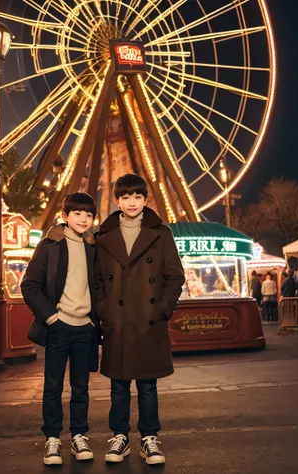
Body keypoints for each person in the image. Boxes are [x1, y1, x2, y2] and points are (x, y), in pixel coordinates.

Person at [95, 174, 185, 465]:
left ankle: (149, 438)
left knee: (147, 385)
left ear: (146, 200)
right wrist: (104, 309)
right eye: (125, 197)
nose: (131, 202)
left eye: (137, 197)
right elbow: (96, 280)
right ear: (117, 200)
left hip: (148, 320)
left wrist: (161, 310)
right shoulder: (102, 237)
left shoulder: (162, 234)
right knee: (118, 386)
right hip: (117, 321)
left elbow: (174, 276)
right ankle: (119, 436)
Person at [21, 192, 100, 466]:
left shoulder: (94, 247)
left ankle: (79, 436)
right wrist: (52, 318)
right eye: (77, 213)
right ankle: (52, 438)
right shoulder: (49, 246)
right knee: (53, 386)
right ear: (65, 216)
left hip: (86, 328)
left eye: (89, 215)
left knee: (81, 387)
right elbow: (29, 285)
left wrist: (94, 319)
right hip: (59, 327)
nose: (84, 219)